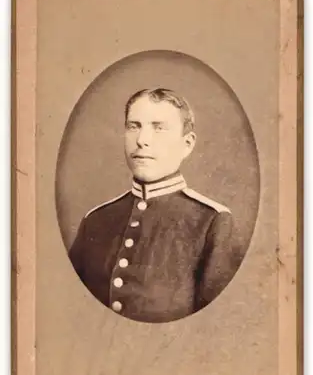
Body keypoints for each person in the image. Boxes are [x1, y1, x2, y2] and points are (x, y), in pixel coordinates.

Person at [69, 88, 234, 323]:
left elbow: (214, 328)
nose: (142, 140)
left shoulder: (211, 222)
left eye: (159, 128)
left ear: (187, 144)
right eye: (134, 126)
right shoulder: (95, 220)